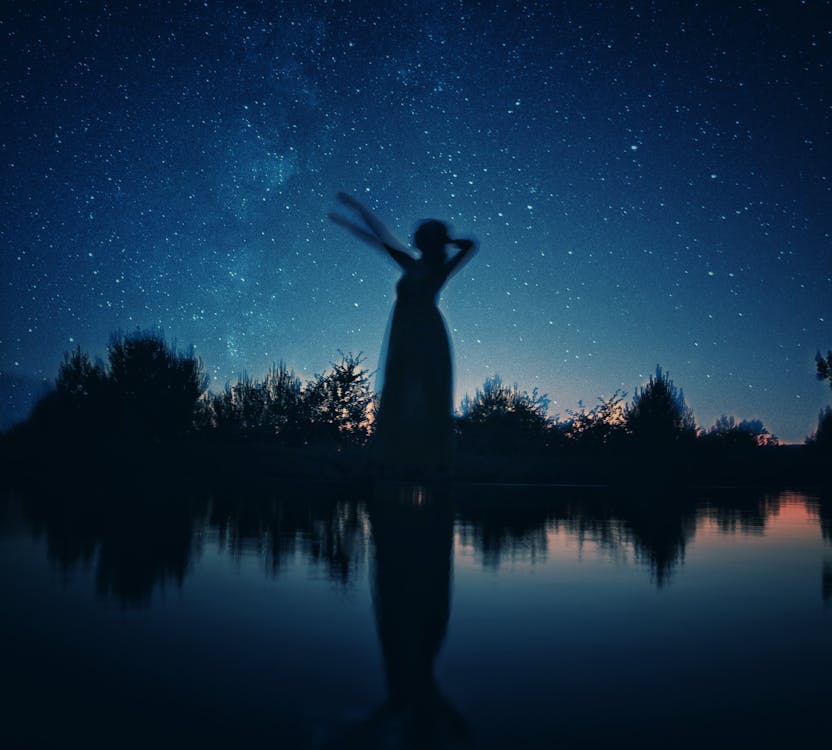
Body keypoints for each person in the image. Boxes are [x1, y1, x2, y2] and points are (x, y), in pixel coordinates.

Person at [329, 192, 476, 473]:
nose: (418, 240)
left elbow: (471, 245)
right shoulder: (412, 264)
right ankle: (390, 461)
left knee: (429, 390)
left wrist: (447, 240)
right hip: (404, 332)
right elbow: (380, 239)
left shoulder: (439, 270)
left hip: (427, 333)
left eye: (425, 237)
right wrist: (355, 213)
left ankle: (437, 464)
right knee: (398, 388)